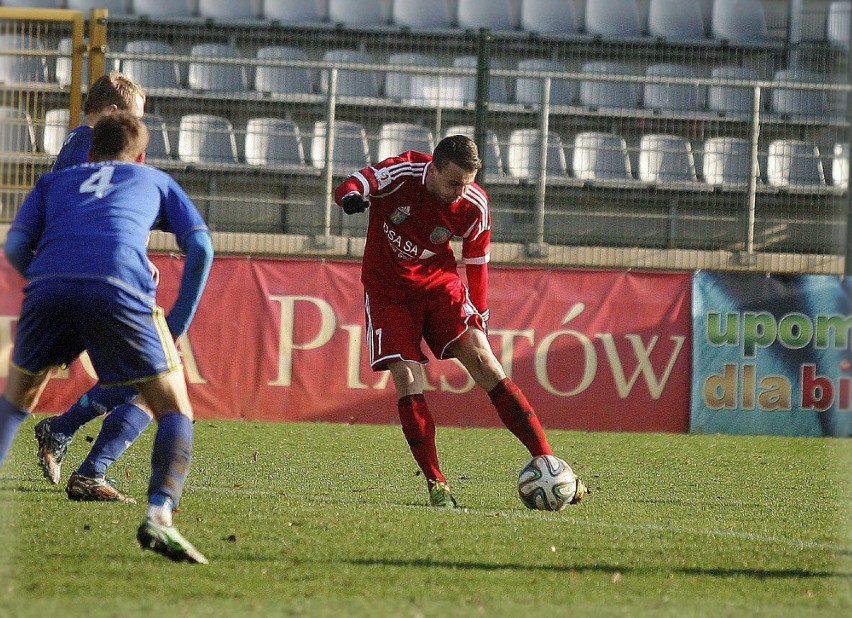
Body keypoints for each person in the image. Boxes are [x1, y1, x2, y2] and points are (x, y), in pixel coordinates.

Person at [0, 111, 213, 563]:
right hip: (120, 288)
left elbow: (15, 248)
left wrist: (44, 286)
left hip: (48, 287)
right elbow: (201, 247)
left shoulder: (53, 183)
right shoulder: (152, 179)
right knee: (174, 406)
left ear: (90, 150)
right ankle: (159, 517)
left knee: (15, 402)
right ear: (140, 155)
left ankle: (68, 441)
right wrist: (176, 323)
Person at [334, 134, 586, 507]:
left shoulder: (473, 204)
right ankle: (437, 485)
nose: (460, 192)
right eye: (453, 182)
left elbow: (477, 262)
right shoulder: (402, 172)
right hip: (388, 293)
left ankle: (550, 462)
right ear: (432, 168)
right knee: (406, 376)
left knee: (485, 360)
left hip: (438, 286)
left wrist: (480, 316)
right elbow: (354, 182)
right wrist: (351, 198)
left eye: (467, 184)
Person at [35, 72, 157, 504]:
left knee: (146, 378)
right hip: (96, 278)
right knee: (153, 378)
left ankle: (70, 441)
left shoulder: (82, 146)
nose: (139, 127)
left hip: (93, 275)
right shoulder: (88, 148)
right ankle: (84, 462)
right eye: (134, 117)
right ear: (112, 113)